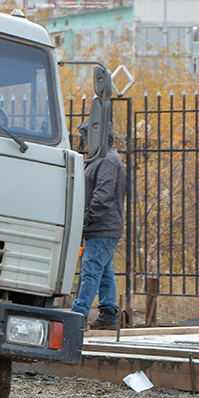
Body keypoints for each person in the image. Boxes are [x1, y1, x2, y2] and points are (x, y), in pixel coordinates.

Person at [71, 121, 127, 330]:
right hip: (103, 226)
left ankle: (79, 315)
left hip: (102, 226)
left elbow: (102, 198)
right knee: (104, 271)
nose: (84, 140)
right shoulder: (103, 159)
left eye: (86, 136)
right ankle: (109, 312)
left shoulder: (106, 160)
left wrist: (84, 220)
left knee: (91, 270)